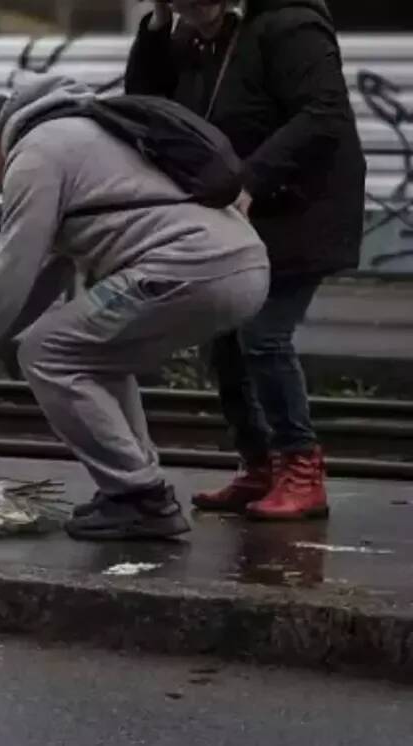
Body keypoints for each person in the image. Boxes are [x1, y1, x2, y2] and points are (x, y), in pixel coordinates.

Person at [0, 76, 270, 541]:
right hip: (239, 264)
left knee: (46, 351)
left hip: (188, 266)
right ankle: (133, 484)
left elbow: (10, 276)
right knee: (92, 351)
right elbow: (38, 281)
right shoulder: (77, 134)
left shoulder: (35, 155)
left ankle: (139, 495)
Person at [125, 0, 366, 521]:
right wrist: (158, 26)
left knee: (263, 335)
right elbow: (146, 105)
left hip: (301, 210)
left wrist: (252, 180)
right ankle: (260, 466)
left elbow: (324, 114)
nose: (192, 15)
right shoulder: (192, 36)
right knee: (227, 340)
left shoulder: (290, 24)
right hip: (239, 216)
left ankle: (302, 471)